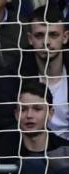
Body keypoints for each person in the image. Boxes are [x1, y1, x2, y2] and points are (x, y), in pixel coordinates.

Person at [21, 4, 69, 140]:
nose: (46, 42)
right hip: (32, 152)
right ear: (30, 39)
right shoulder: (13, 76)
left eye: (53, 35)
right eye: (39, 35)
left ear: (65, 37)